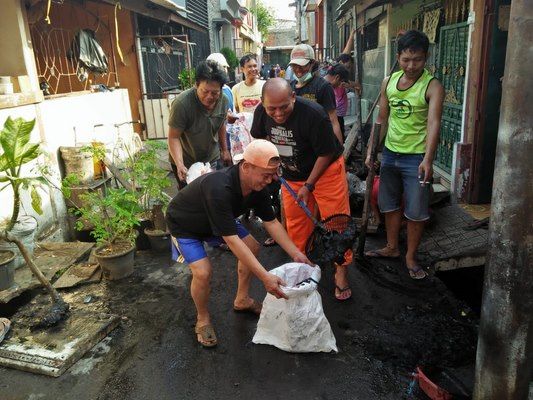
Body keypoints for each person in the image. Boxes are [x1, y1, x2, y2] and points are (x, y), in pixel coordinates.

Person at [166, 139, 312, 347]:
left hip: (215, 220)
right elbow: (232, 241)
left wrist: (296, 253)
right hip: (185, 223)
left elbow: (271, 223)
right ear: (246, 167)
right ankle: (203, 318)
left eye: (273, 175)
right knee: (203, 272)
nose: (270, 181)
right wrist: (265, 277)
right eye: (266, 175)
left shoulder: (258, 188)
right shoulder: (219, 187)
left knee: (253, 246)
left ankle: (242, 300)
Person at [251, 78, 353, 301]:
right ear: (263, 103)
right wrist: (271, 164)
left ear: (293, 98)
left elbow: (326, 153)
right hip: (292, 174)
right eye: (272, 109)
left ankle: (341, 270)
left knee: (336, 222)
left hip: (326, 171)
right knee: (297, 226)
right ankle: (305, 268)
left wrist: (309, 185)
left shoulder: (314, 114)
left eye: (283, 107)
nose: (277, 114)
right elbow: (260, 138)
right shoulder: (261, 113)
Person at [364, 30, 444, 280]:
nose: (411, 66)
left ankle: (410, 256)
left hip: (416, 157)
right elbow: (382, 118)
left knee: (416, 210)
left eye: (418, 60)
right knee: (388, 204)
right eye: (406, 59)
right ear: (398, 57)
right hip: (390, 154)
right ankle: (391, 247)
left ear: (426, 58)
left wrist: (428, 160)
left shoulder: (432, 86)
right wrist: (371, 150)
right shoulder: (388, 82)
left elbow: (434, 124)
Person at [168, 61, 232, 189]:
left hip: (211, 158)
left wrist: (225, 150)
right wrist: (179, 164)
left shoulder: (224, 100)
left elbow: (221, 125)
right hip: (185, 161)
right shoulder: (182, 104)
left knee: (212, 193)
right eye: (205, 91)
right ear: (196, 85)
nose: (209, 97)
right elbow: (173, 137)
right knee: (189, 198)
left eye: (214, 93)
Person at [288, 44, 343, 144]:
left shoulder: (323, 87)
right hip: (296, 142)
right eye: (294, 65)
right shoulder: (288, 88)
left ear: (312, 64)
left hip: (318, 142)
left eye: (302, 65)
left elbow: (333, 120)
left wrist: (339, 151)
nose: (298, 69)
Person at [324, 63, 350, 140]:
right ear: (337, 77)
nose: (340, 86)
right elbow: (333, 121)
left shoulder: (321, 84)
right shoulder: (326, 88)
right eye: (341, 82)